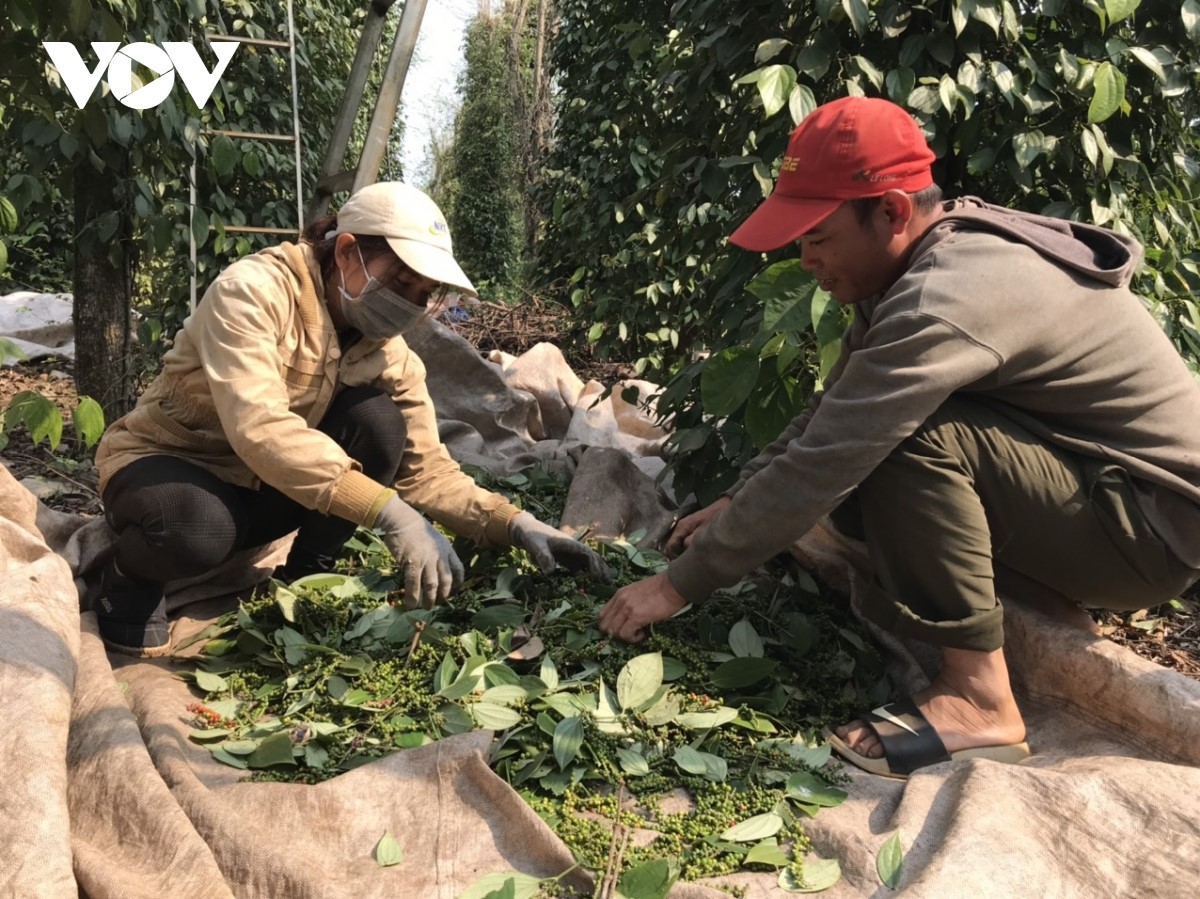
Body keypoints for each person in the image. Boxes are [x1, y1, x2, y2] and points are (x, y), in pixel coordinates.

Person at [598, 97, 1200, 778]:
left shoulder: (942, 294)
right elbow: (833, 409)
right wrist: (739, 499)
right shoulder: (918, 265)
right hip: (1100, 488)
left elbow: (832, 454)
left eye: (818, 238)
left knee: (899, 445)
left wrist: (673, 588)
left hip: (1147, 527)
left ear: (889, 211)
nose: (805, 260)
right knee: (867, 482)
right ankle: (1042, 613)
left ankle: (979, 698)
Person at [95, 182, 608, 657]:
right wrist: (389, 512)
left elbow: (427, 470)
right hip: (171, 463)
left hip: (261, 488)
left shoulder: (389, 354)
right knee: (194, 528)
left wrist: (513, 523)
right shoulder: (253, 292)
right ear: (346, 252)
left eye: (422, 294)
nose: (409, 305)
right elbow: (261, 429)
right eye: (400, 281)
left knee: (378, 423)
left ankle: (303, 583)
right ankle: (128, 580)